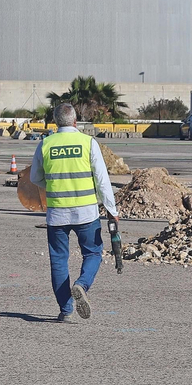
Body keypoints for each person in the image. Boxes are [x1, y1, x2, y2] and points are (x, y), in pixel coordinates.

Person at [29, 102, 118, 322]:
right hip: (86, 213)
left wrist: (51, 183)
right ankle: (81, 285)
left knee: (59, 259)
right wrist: (111, 209)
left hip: (57, 213)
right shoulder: (88, 143)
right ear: (75, 121)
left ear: (55, 122)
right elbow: (102, 180)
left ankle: (65, 309)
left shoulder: (45, 144)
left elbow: (34, 178)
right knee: (93, 253)